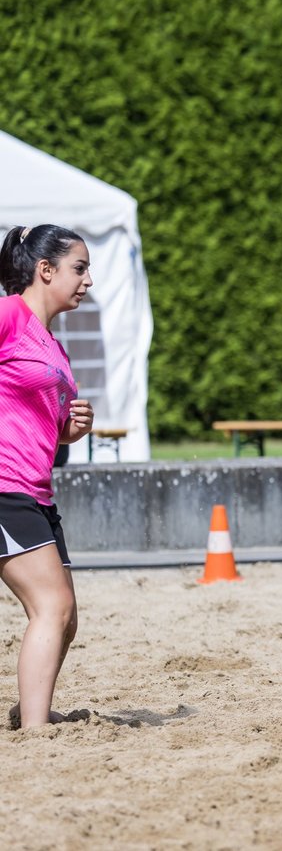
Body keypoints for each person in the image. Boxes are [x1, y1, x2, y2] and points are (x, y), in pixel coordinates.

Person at [0, 225, 95, 728]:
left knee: (66, 617)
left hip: (35, 491)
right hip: (4, 489)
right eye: (79, 268)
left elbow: (47, 429)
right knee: (52, 607)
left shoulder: (53, 345)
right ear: (45, 270)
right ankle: (36, 731)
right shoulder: (9, 315)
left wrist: (72, 429)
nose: (88, 280)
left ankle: (29, 711)